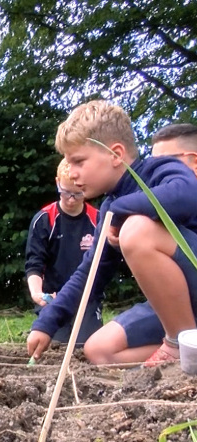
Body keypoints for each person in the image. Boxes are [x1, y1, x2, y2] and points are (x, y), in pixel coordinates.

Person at [26, 100, 197, 368]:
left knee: (137, 230)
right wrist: (47, 321)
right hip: (176, 307)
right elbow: (89, 274)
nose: (72, 172)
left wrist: (120, 212)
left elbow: (187, 195)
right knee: (99, 349)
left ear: (115, 154)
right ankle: (184, 349)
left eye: (78, 161)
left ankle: (181, 346)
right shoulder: (109, 208)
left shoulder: (159, 170)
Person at [25, 158, 101, 345]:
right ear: (57, 182)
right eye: (65, 192)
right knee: (55, 347)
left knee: (87, 347)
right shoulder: (44, 219)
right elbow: (35, 263)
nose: (71, 199)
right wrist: (37, 293)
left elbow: (104, 266)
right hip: (52, 298)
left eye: (78, 193)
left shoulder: (98, 220)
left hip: (86, 299)